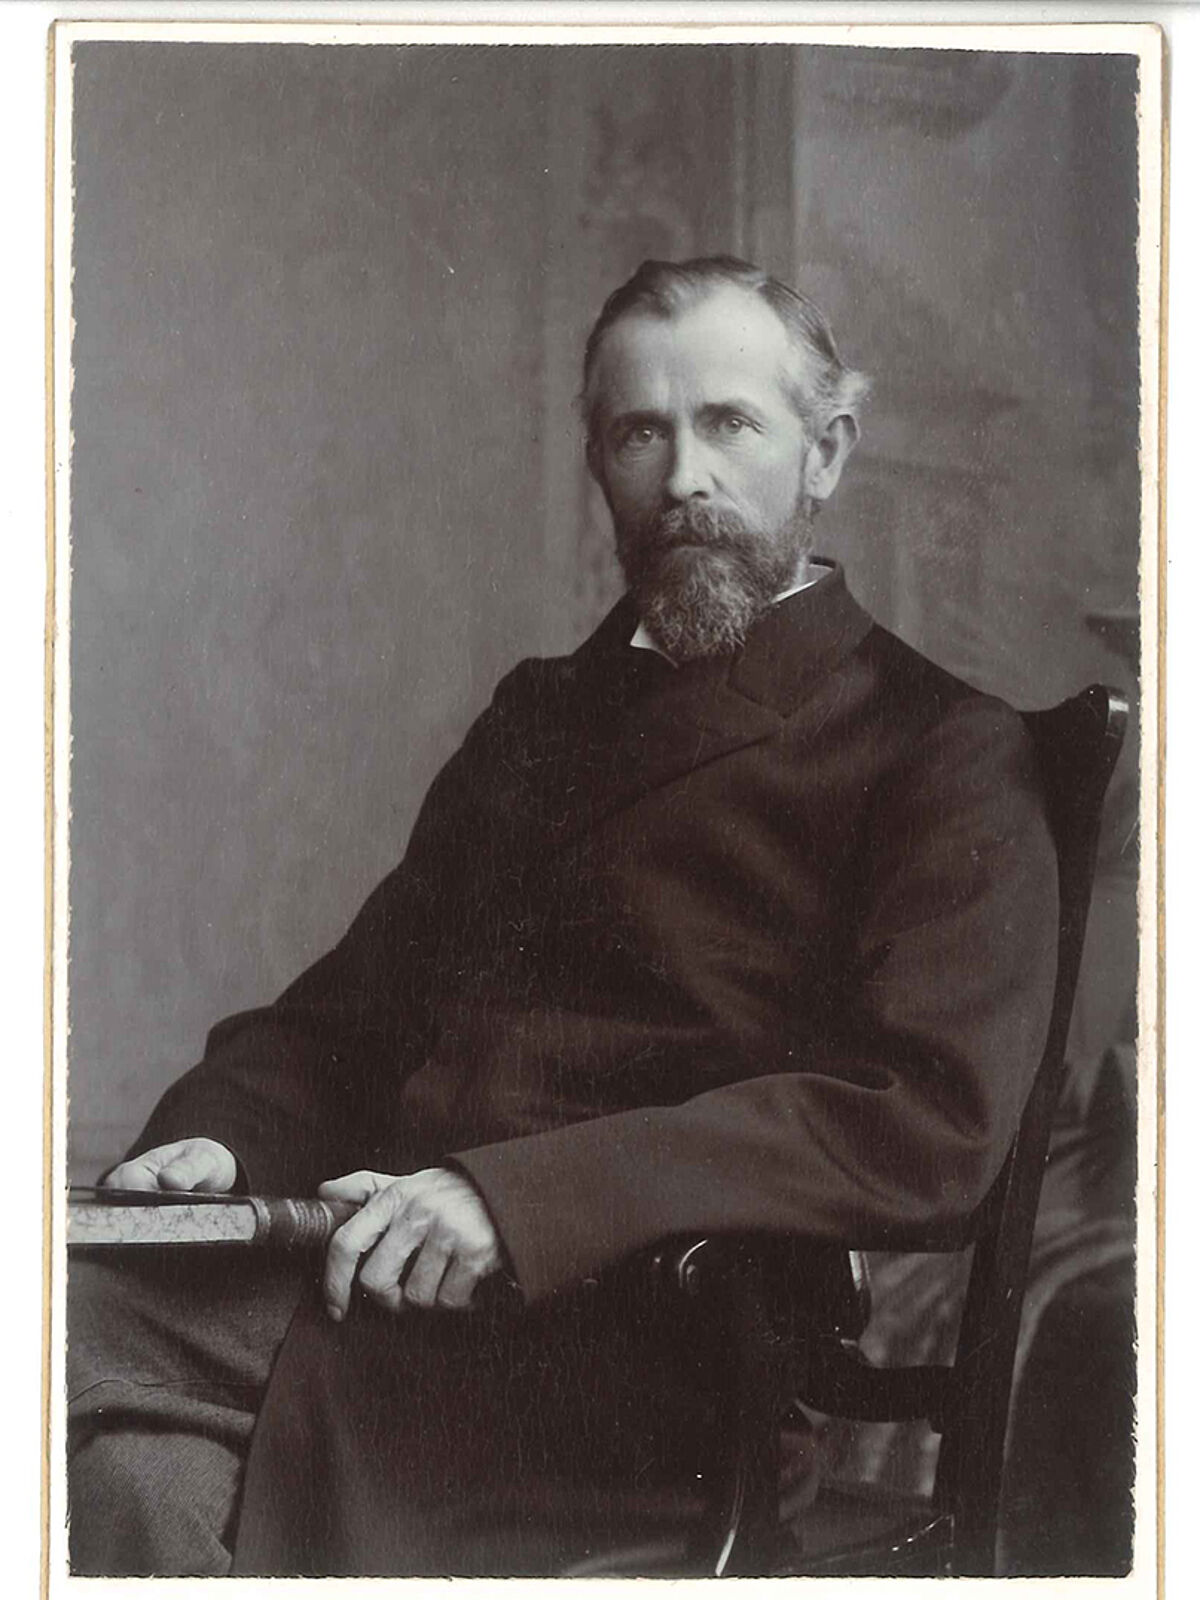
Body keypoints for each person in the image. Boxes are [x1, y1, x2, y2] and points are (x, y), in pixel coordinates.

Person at [67, 256, 1059, 1577]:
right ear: (600, 463)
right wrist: (219, 1141)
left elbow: (926, 1121)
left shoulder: (935, 746)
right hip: (390, 1297)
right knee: (131, 1485)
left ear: (824, 454)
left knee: (48, 1323)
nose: (685, 478)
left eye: (730, 424)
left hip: (646, 1359)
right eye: (641, 433)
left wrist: (518, 1202)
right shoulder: (539, 715)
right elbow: (355, 1013)